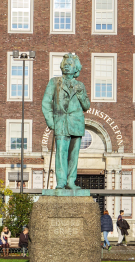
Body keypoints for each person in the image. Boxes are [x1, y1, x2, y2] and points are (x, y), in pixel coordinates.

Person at [41, 53, 91, 190]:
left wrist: (81, 95)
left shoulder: (80, 85)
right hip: (61, 122)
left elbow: (87, 106)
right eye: (66, 64)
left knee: (74, 154)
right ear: (62, 67)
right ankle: (61, 181)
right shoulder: (54, 82)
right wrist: (51, 122)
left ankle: (71, 181)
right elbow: (45, 103)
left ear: (76, 69)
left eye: (71, 65)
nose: (67, 67)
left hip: (76, 123)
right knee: (61, 153)